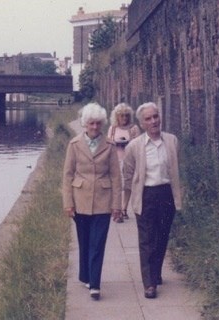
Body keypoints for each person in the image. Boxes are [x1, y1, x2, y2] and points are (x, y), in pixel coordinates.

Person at [62, 102, 122, 300]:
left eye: (98, 123)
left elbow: (116, 177)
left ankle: (95, 284)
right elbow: (68, 175)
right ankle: (85, 275)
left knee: (98, 243)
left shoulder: (110, 146)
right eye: (91, 123)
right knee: (84, 241)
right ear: (84, 124)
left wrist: (117, 206)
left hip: (103, 202)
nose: (95, 127)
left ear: (102, 124)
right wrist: (68, 203)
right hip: (80, 200)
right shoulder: (74, 144)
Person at [123, 102, 182, 299]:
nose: (154, 121)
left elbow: (174, 169)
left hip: (166, 194)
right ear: (141, 123)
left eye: (155, 116)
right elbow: (128, 175)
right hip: (146, 195)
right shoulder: (134, 146)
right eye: (148, 118)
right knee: (147, 239)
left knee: (162, 237)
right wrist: (123, 204)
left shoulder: (172, 141)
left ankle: (156, 272)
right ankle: (149, 283)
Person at [107, 102, 140, 222]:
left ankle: (124, 209)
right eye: (122, 115)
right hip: (116, 160)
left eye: (126, 115)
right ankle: (117, 209)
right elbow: (108, 144)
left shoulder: (134, 128)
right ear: (117, 116)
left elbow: (138, 145)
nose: (124, 118)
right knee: (116, 185)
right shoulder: (113, 128)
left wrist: (129, 143)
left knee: (127, 184)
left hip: (130, 160)